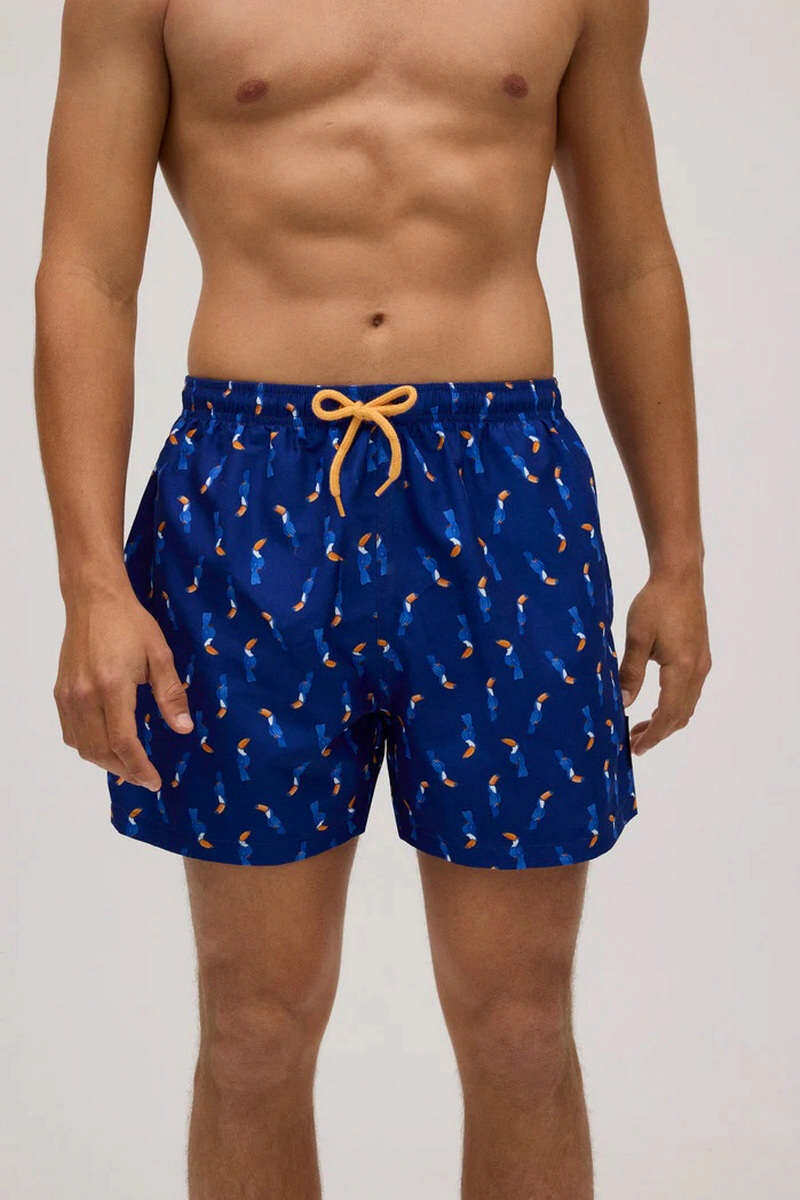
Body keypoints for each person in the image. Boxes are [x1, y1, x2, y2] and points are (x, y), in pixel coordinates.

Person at [34, 0, 711, 1195]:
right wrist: (90, 581)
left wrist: (681, 556)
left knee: (519, 1025)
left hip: (504, 492)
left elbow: (628, 262)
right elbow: (87, 273)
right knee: (253, 1027)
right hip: (250, 492)